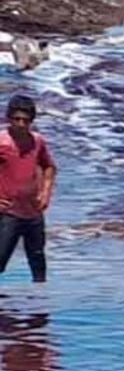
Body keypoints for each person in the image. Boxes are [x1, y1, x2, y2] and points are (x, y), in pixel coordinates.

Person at [0, 94, 56, 283]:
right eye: (17, 119)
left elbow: (49, 167)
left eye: (26, 120)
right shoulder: (2, 142)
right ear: (9, 118)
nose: (21, 124)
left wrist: (46, 193)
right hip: (8, 212)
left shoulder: (37, 141)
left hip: (33, 212)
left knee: (38, 263)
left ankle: (39, 308)